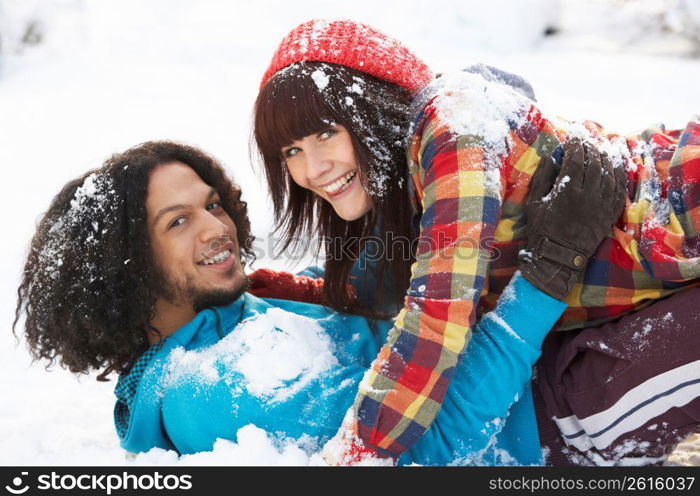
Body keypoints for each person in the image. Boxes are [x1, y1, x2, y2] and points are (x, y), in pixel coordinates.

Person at [14, 141, 698, 465]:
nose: (218, 227)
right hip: (555, 415)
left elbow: (384, 291)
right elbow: (425, 446)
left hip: (552, 336)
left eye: (212, 204)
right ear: (126, 270)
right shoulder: (212, 388)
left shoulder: (250, 308)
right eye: (178, 222)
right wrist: (547, 272)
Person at [253, 19, 700, 463]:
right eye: (291, 151)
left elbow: (437, 314)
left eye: (326, 133)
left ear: (370, 107)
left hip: (681, 209)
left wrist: (358, 453)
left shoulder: (454, 129)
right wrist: (302, 292)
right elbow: (408, 283)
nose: (312, 169)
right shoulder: (404, 178)